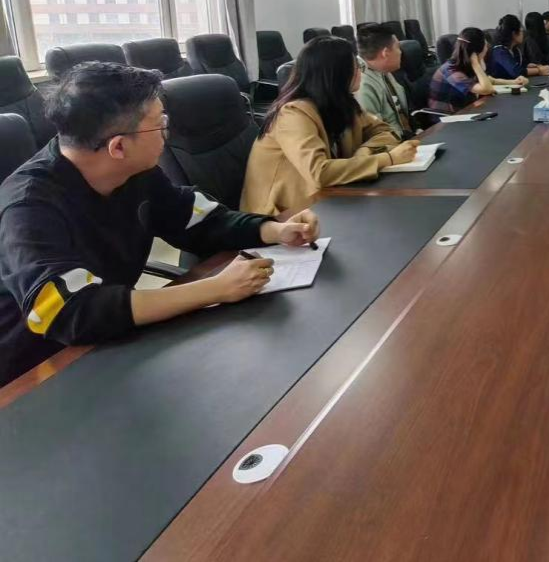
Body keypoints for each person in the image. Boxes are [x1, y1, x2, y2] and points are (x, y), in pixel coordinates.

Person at [0, 62, 321, 388]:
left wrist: (274, 229)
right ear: (118, 146)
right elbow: (69, 311)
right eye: (160, 124)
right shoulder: (27, 208)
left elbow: (194, 219)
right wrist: (216, 289)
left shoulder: (135, 171)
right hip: (34, 370)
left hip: (111, 341)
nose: (167, 133)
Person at [242, 36, 419, 215]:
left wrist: (364, 152)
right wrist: (388, 159)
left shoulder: (342, 103)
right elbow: (319, 173)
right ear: (337, 73)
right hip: (284, 215)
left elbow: (385, 131)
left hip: (329, 197)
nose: (360, 72)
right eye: (356, 67)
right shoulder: (293, 114)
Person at [428, 27, 525, 114]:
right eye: (485, 45)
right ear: (477, 51)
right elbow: (487, 89)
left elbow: (490, 80)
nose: (487, 48)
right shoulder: (451, 70)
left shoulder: (464, 64)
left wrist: (514, 82)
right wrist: (476, 64)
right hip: (446, 118)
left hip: (465, 110)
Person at [354, 23, 414, 140]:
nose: (401, 52)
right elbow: (375, 135)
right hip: (393, 145)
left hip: (405, 137)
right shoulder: (362, 84)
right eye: (398, 47)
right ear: (385, 53)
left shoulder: (382, 70)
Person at [488, 14, 549, 79]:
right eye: (521, 31)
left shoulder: (514, 50)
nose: (523, 33)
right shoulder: (499, 52)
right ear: (514, 34)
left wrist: (529, 66)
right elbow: (516, 72)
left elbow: (519, 65)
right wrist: (538, 70)